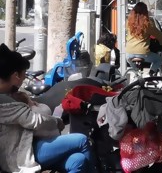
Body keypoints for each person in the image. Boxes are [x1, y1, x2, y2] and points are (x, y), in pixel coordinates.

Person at [0, 44, 95, 173]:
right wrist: (57, 122)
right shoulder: (4, 101)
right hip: (22, 154)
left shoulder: (10, 94)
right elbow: (36, 121)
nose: (23, 80)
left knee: (78, 160)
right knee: (82, 140)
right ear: (16, 76)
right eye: (23, 76)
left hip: (29, 146)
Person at [126, 2, 162, 76]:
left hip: (129, 53)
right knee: (158, 60)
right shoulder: (147, 23)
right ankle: (150, 74)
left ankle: (136, 74)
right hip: (143, 53)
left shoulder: (129, 22)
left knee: (135, 69)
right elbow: (158, 34)